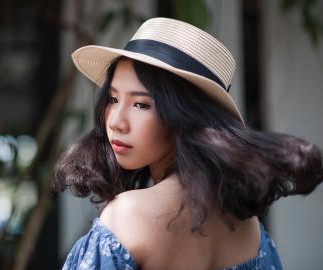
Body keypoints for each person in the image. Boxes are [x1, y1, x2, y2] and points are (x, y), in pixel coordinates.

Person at [52, 17, 323, 270]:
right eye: (112, 99)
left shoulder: (128, 214)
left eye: (141, 104)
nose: (116, 121)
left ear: (184, 115)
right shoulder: (250, 229)